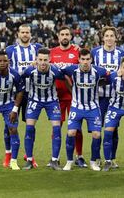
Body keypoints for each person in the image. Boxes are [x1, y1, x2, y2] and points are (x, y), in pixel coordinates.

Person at [2, 24, 43, 168]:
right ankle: (8, 154)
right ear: (18, 34)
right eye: (23, 32)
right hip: (13, 93)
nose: (25, 34)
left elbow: (50, 57)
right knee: (9, 124)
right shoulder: (10, 50)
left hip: (32, 93)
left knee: (30, 125)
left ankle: (29, 154)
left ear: (30, 34)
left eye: (27, 32)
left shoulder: (37, 48)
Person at [61, 48, 108, 171]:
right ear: (79, 60)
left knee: (97, 134)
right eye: (83, 59)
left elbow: (110, 75)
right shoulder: (72, 69)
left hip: (93, 108)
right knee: (71, 133)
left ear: (91, 60)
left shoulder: (99, 71)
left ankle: (93, 161)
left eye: (88, 59)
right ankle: (69, 161)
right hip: (77, 107)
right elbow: (58, 72)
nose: (85, 62)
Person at [21, 48, 64, 170]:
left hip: (51, 101)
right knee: (29, 128)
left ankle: (54, 160)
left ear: (49, 60)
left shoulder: (55, 71)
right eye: (40, 60)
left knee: (56, 128)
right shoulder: (30, 70)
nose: (43, 63)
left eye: (45, 60)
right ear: (36, 60)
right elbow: (20, 78)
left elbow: (65, 77)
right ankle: (29, 160)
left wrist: (72, 91)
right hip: (34, 101)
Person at [50, 26, 85, 167]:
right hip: (56, 97)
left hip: (74, 97)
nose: (64, 36)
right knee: (57, 127)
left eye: (67, 34)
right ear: (58, 37)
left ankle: (79, 156)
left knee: (77, 128)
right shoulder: (52, 52)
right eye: (62, 34)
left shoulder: (77, 52)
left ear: (71, 37)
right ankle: (55, 157)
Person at [91, 26, 124, 168]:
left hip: (115, 97)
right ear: (103, 38)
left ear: (116, 37)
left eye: (112, 35)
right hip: (98, 97)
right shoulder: (95, 53)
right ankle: (96, 157)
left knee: (113, 129)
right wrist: (111, 76)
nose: (109, 38)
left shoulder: (122, 54)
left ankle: (112, 158)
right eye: (107, 35)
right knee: (97, 129)